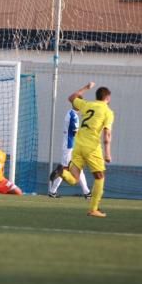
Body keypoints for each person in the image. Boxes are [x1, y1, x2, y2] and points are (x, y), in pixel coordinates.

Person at [49, 81, 114, 217]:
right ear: (107, 98)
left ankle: (62, 172)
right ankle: (94, 208)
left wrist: (86, 87)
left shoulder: (87, 105)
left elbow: (71, 98)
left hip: (77, 146)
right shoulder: (107, 111)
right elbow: (107, 135)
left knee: (74, 178)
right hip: (91, 147)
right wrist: (107, 153)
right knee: (99, 177)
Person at [48, 108, 91, 199]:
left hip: (68, 145)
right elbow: (75, 133)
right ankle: (87, 193)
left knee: (72, 168)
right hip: (70, 146)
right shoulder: (74, 116)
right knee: (68, 169)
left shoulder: (69, 112)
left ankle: (53, 191)